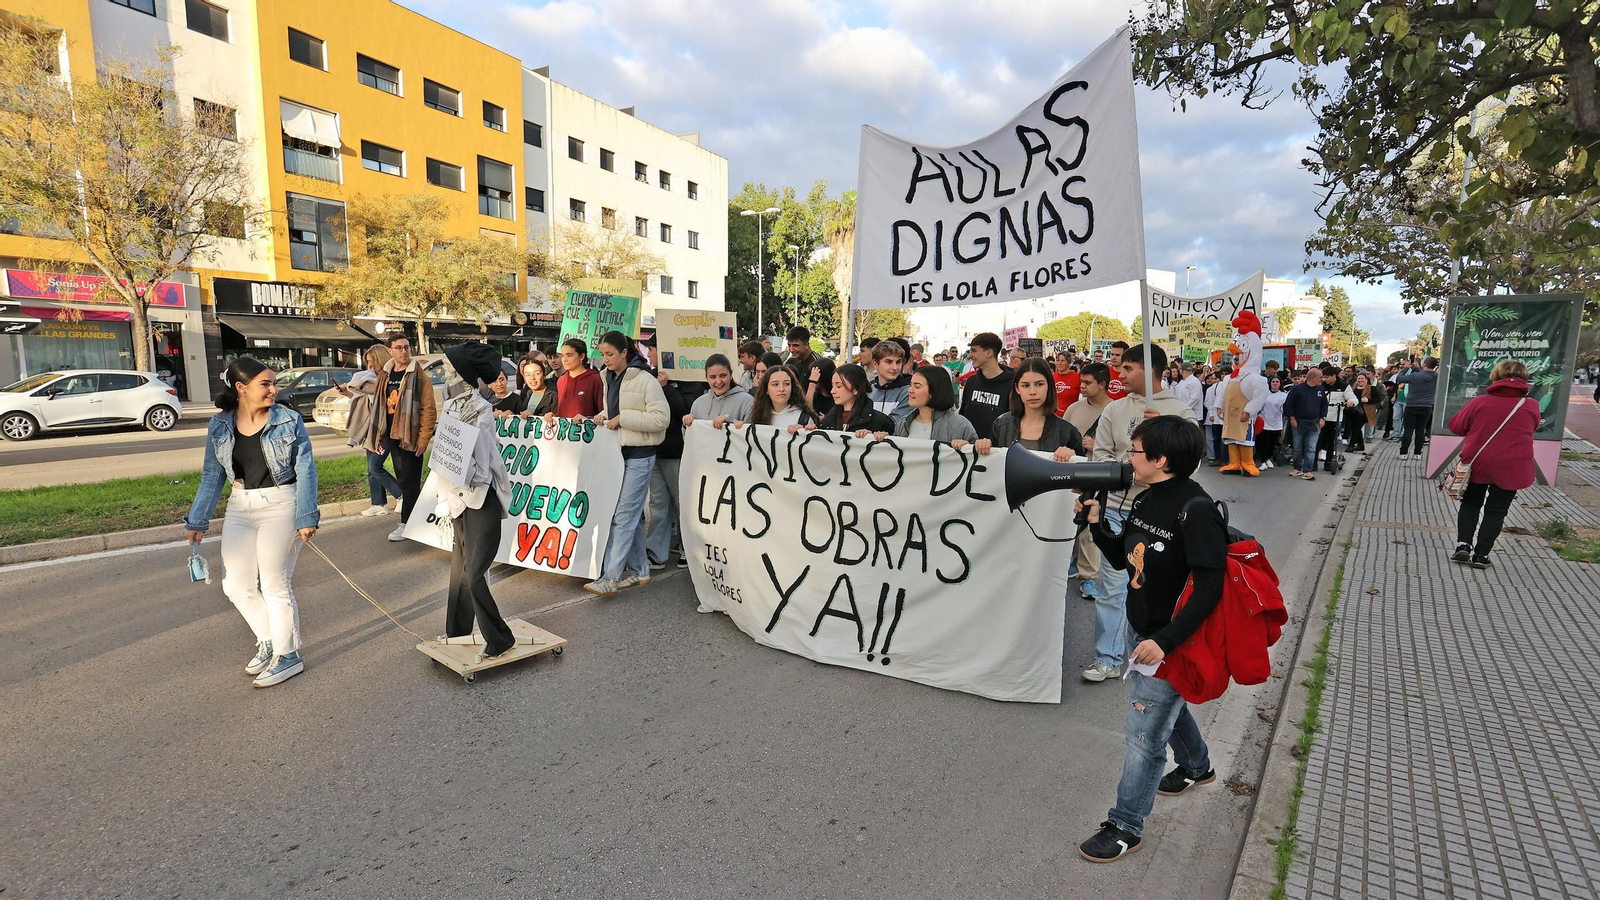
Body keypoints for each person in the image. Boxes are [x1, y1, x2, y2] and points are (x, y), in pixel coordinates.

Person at [1077, 415, 1225, 863]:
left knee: (1144, 734)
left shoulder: (1197, 511)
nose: (1129, 458)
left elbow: (1210, 589)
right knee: (1165, 708)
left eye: (1135, 451)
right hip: (1142, 631)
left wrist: (1165, 641)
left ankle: (1126, 825)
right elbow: (1125, 560)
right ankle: (1197, 767)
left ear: (1160, 460)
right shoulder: (1145, 499)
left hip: (1170, 642)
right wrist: (1097, 524)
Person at [185, 357, 319, 688]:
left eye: (274, 383)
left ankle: (288, 656)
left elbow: (305, 469)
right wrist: (198, 519)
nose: (274, 390)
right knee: (236, 586)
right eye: (266, 384)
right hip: (240, 506)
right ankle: (270, 640)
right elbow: (212, 474)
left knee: (275, 584)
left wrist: (306, 515)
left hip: (281, 504)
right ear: (241, 388)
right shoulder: (220, 424)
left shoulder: (288, 419)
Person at [1085, 343, 1197, 683]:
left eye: (1128, 368)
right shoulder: (1114, 409)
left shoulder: (1180, 412)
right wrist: (1127, 474)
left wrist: (1164, 436)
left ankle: (1153, 655)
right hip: (1117, 509)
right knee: (1112, 587)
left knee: (1150, 590)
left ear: (1150, 370)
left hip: (1160, 516)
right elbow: (1101, 455)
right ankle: (1107, 657)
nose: (1120, 374)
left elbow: (1190, 464)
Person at [432, 344, 518, 659]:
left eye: (451, 367)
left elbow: (484, 465)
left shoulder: (481, 410)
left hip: (481, 498)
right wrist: (445, 496)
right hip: (458, 499)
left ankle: (499, 638)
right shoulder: (451, 405)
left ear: (464, 373)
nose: (446, 372)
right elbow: (444, 456)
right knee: (460, 569)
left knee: (475, 572)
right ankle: (457, 632)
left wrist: (460, 474)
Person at [583, 331, 669, 596]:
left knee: (623, 516)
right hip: (617, 455)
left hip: (641, 455)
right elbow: (613, 410)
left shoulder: (646, 380)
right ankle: (640, 570)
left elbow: (661, 419)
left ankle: (611, 576)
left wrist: (623, 418)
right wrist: (602, 416)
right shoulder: (607, 377)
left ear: (624, 352)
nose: (605, 359)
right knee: (627, 516)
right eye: (602, 354)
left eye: (610, 354)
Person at [1447, 360, 1541, 569]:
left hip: (1479, 462)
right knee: (1497, 511)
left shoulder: (1480, 402)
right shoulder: (1531, 405)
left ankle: (1463, 545)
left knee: (1471, 503)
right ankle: (1481, 555)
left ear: (1496, 377)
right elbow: (1532, 427)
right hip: (1513, 465)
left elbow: (1456, 426)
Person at [376, 332, 437, 541]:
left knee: (409, 481)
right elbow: (379, 406)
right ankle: (417, 522)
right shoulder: (385, 374)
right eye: (399, 348)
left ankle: (407, 524)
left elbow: (428, 409)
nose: (404, 351)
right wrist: (378, 436)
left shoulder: (418, 375)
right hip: (392, 435)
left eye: (407, 347)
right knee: (404, 480)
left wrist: (423, 438)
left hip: (411, 436)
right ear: (390, 351)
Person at [1063, 361, 1115, 601]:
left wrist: (1097, 446)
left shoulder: (1115, 410)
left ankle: (1089, 577)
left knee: (1090, 530)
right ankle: (1070, 562)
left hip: (1099, 477)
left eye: (1087, 383)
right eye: (1081, 382)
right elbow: (1062, 437)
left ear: (1102, 384)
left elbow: (1123, 449)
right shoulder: (1073, 409)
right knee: (1070, 522)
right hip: (1072, 474)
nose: (1081, 386)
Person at [975, 358, 1084, 460]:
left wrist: (1072, 457)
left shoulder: (1067, 432)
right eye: (1025, 385)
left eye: (1039, 384)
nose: (1032, 392)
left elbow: (1082, 469)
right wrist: (982, 447)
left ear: (1049, 385)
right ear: (1017, 388)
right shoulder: (1001, 425)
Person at [337, 343, 401, 517]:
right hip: (371, 429)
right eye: (368, 362)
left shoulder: (386, 381)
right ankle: (378, 503)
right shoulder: (372, 380)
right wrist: (348, 393)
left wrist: (379, 436)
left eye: (372, 362)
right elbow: (363, 400)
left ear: (380, 360)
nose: (370, 366)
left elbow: (384, 408)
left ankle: (402, 495)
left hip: (383, 430)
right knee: (371, 468)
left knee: (375, 467)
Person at [646, 357, 690, 572]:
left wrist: (665, 389)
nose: (650, 354)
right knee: (658, 504)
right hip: (655, 449)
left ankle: (687, 549)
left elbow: (684, 412)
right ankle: (656, 552)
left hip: (677, 451)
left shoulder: (690, 377)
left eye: (652, 350)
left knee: (683, 504)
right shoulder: (650, 375)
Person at [880, 365, 978, 447]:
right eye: (911, 385)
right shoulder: (903, 423)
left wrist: (967, 446)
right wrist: (883, 440)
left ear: (934, 391)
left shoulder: (960, 425)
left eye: (917, 386)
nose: (910, 390)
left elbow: (977, 456)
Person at [959, 331, 1016, 440]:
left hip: (998, 448)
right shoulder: (971, 382)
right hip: (969, 447)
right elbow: (963, 418)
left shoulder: (1013, 384)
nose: (970, 356)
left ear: (989, 353)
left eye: (974, 351)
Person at [813, 364, 895, 435]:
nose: (832, 391)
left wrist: (875, 437)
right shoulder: (828, 420)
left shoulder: (881, 422)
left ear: (856, 389)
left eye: (839, 386)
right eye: (832, 385)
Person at [733, 364, 817, 429]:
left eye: (786, 384)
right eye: (775, 384)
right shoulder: (758, 415)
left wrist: (805, 431)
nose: (781, 389)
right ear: (766, 390)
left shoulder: (804, 418)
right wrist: (742, 428)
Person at [683, 353, 754, 427]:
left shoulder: (747, 402)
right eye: (713, 377)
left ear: (730, 375)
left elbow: (752, 432)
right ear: (706, 378)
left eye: (723, 376)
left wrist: (729, 424)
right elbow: (689, 434)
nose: (718, 381)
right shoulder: (698, 404)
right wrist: (687, 424)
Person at [1282, 367, 1329, 480]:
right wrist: (1292, 418)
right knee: (1297, 447)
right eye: (1320, 377)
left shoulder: (1320, 389)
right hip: (1299, 422)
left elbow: (1324, 404)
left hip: (1314, 423)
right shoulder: (1297, 389)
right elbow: (1288, 404)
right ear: (1312, 378)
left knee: (1311, 447)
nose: (1322, 379)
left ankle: (1308, 470)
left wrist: (1322, 417)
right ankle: (1297, 467)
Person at [785, 326, 836, 418]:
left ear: (806, 345)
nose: (791, 349)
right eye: (789, 345)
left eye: (796, 345)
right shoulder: (790, 362)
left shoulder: (817, 363)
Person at [1395, 357, 1439, 459]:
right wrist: (1416, 368)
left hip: (1412, 404)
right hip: (1427, 405)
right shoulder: (1436, 377)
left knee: (1408, 430)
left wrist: (1406, 368)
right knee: (1420, 430)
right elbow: (1423, 375)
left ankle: (1403, 453)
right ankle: (1417, 454)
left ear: (1425, 364)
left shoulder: (1415, 376)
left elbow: (1399, 378)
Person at [554, 338, 605, 420]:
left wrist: (586, 419)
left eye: (569, 355)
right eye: (562, 356)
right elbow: (561, 412)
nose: (564, 360)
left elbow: (603, 413)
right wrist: (552, 416)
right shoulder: (561, 380)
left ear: (581, 356)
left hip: (587, 428)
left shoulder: (595, 379)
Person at [867, 340, 913, 423]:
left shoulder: (909, 392)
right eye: (888, 362)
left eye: (898, 362)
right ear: (875, 364)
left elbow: (896, 425)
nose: (895, 367)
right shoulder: (867, 391)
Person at [1255, 376, 1287, 470]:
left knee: (1272, 443)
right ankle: (1263, 461)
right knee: (1263, 442)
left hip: (1276, 423)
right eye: (1273, 382)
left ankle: (1268, 458)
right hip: (1264, 421)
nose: (1275, 383)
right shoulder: (1264, 394)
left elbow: (1284, 408)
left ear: (1280, 384)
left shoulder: (1283, 395)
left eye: (1277, 382)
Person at [1202, 372, 1225, 466]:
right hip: (1215, 417)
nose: (1213, 380)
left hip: (1224, 417)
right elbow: (1208, 403)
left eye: (1216, 378)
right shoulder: (1210, 389)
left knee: (1225, 440)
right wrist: (1211, 414)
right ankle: (1217, 458)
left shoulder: (1225, 387)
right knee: (1216, 439)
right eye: (1212, 378)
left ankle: (1225, 459)